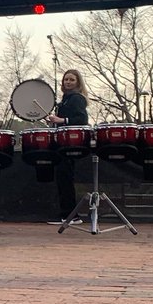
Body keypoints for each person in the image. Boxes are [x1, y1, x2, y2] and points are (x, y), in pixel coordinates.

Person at [45, 69, 89, 225]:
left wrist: (62, 120)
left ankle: (70, 215)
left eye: (72, 80)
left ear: (78, 82)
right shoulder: (65, 99)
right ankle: (68, 214)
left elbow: (82, 119)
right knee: (63, 178)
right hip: (64, 143)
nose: (68, 82)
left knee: (66, 178)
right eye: (66, 80)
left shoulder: (76, 98)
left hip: (70, 144)